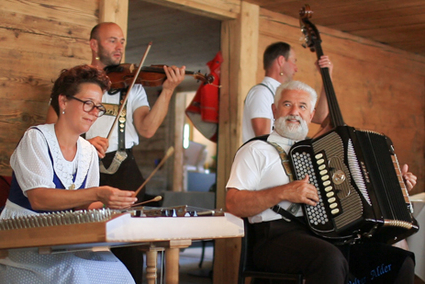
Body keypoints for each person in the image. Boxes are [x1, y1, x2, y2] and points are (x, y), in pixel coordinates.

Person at [226, 80, 417, 284]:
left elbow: (358, 195)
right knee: (330, 259)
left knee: (399, 261)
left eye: (302, 106)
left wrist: (396, 189)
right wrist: (282, 192)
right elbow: (233, 204)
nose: (294, 112)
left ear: (311, 114)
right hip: (273, 237)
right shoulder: (255, 150)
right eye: (287, 104)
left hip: (327, 235)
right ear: (274, 109)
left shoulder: (321, 152)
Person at [46, 22, 185, 283]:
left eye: (122, 41)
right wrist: (83, 144)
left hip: (123, 167)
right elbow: (50, 126)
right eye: (112, 40)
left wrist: (167, 91)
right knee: (80, 236)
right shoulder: (73, 85)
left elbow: (147, 128)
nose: (119, 46)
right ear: (94, 45)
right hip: (80, 165)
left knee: (128, 242)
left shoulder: (132, 86)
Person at [0, 64, 137, 284]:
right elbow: (39, 198)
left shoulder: (89, 152)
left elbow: (84, 206)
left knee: (120, 274)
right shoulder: (36, 138)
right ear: (63, 101)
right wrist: (98, 194)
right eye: (88, 103)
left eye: (98, 106)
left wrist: (112, 204)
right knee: (75, 273)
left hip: (67, 239)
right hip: (25, 240)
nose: (94, 113)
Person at [242, 41, 332, 142]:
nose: (296, 68)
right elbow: (264, 138)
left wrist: (326, 78)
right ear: (281, 61)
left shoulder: (281, 93)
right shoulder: (261, 92)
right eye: (293, 61)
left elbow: (320, 117)